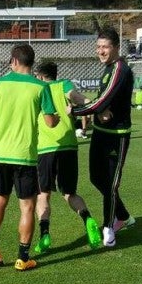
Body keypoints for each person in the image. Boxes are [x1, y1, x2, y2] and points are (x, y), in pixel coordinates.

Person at [0, 44, 59, 271]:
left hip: (1, 153)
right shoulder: (40, 87)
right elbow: (50, 122)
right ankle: (23, 257)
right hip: (25, 156)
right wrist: (58, 117)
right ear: (31, 62)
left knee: (0, 199)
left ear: (14, 61)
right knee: (27, 206)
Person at [71, 27, 136, 248]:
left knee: (111, 184)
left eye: (105, 47)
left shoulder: (120, 69)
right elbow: (102, 102)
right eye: (98, 47)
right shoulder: (108, 68)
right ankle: (124, 215)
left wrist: (74, 112)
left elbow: (101, 101)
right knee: (96, 179)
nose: (101, 51)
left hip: (116, 136)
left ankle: (109, 228)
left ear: (116, 47)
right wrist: (99, 111)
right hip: (100, 133)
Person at [31, 61, 101, 253]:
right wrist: (96, 107)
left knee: (43, 194)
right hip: (69, 148)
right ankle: (88, 219)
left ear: (41, 75)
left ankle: (44, 235)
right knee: (69, 193)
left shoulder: (38, 88)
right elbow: (79, 99)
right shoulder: (65, 85)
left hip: (45, 148)